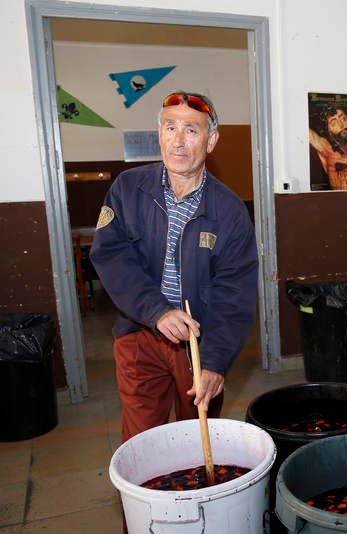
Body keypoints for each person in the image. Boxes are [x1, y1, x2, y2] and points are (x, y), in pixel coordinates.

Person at [90, 91, 259, 443]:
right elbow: (111, 255)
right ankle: (144, 498)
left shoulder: (229, 211)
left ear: (211, 140)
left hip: (198, 340)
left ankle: (197, 498)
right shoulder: (128, 189)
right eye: (170, 128)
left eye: (191, 131)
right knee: (141, 440)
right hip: (138, 332)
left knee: (198, 437)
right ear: (159, 133)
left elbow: (235, 294)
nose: (178, 142)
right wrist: (157, 311)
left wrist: (215, 362)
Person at [309, 105, 347, 190]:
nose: (341, 125)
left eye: (343, 118)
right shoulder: (327, 148)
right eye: (333, 123)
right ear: (327, 130)